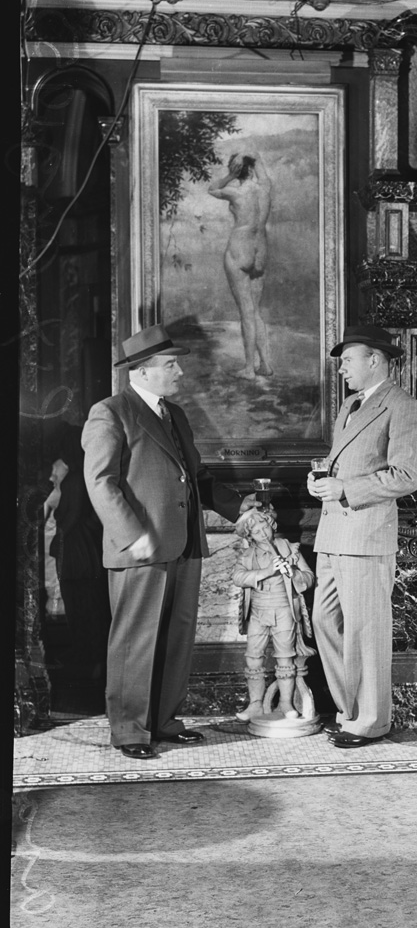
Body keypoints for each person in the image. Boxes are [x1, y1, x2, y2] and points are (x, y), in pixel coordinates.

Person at [82, 324, 255, 760]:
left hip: (184, 545)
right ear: (141, 372)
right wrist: (130, 536)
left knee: (176, 637)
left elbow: (197, 477)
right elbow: (101, 483)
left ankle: (164, 721)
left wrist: (240, 508)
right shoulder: (110, 412)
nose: (179, 371)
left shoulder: (174, 414)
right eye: (170, 364)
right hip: (141, 547)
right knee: (135, 641)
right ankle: (129, 731)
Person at [307, 324, 417, 748]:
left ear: (375, 360)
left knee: (366, 629)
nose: (342, 370)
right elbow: (344, 460)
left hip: (366, 533)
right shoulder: (351, 406)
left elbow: (407, 475)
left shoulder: (403, 406)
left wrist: (346, 489)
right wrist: (321, 478)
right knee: (324, 620)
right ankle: (350, 710)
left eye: (348, 361)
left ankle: (371, 721)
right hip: (334, 532)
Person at [43, 422, 112, 703]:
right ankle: (92, 661)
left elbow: (67, 519)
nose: (51, 471)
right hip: (86, 554)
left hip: (77, 555)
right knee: (88, 607)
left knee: (81, 606)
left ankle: (91, 662)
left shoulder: (73, 481)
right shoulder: (85, 475)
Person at [232, 505, 316, 723]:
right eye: (257, 532)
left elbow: (309, 578)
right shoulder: (247, 554)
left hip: (283, 610)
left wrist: (294, 574)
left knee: (285, 658)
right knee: (253, 658)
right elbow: (238, 577)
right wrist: (266, 572)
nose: (263, 533)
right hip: (258, 612)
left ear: (272, 525)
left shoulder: (288, 548)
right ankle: (255, 705)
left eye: (265, 527)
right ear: (249, 536)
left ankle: (285, 703)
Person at [208, 150, 273, 378]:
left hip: (240, 246)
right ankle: (265, 364)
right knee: (255, 311)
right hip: (260, 250)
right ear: (252, 167)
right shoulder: (264, 188)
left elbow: (212, 189)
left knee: (246, 311)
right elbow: (259, 164)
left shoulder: (235, 192)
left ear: (236, 170)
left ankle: (248, 368)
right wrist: (252, 158)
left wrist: (229, 175)